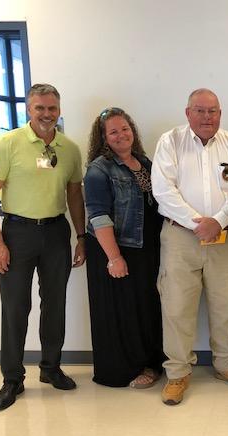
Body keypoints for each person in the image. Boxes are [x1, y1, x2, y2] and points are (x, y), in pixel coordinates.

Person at [0, 83, 85, 411]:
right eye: (39, 108)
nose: (46, 114)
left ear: (59, 110)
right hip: (17, 234)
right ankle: (12, 379)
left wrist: (81, 236)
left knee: (55, 304)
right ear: (29, 109)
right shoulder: (8, 144)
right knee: (15, 308)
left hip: (56, 232)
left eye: (52, 108)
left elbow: (73, 195)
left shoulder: (69, 149)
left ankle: (51, 368)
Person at [152, 88, 228, 406]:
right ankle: (177, 374)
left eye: (213, 111)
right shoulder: (170, 141)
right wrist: (200, 222)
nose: (207, 117)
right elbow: (163, 190)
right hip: (181, 238)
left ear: (220, 113)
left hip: (224, 237)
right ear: (187, 113)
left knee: (227, 306)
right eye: (200, 111)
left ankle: (227, 365)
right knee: (177, 308)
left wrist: (219, 220)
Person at [83, 107, 165, 388]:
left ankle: (150, 363)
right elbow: (98, 216)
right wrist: (114, 258)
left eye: (125, 129)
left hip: (145, 249)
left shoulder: (144, 162)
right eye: (114, 131)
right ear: (104, 138)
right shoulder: (98, 169)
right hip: (116, 250)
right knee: (121, 312)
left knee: (145, 308)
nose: (121, 135)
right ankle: (125, 370)